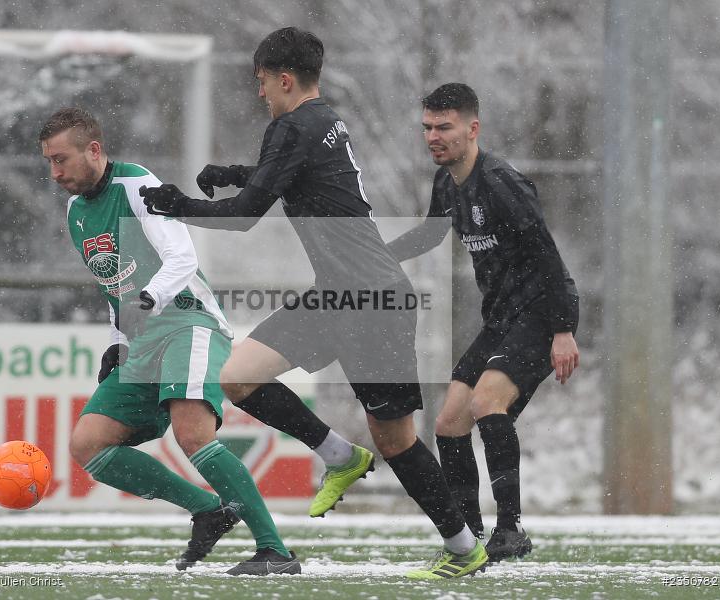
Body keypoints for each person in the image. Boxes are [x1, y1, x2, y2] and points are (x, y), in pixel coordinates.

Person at [142, 27, 488, 580]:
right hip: (342, 294)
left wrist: (175, 204)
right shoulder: (322, 120)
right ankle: (337, 454)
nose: (260, 94)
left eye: (261, 84)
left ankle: (464, 546)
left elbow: (249, 213)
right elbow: (288, 178)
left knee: (395, 439)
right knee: (237, 376)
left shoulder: (291, 126)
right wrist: (233, 174)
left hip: (373, 298)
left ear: (283, 79)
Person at [39, 107, 300, 576]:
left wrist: (146, 299)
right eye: (50, 163)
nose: (55, 173)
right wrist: (116, 341)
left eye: (62, 160)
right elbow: (114, 287)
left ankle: (275, 551)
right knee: (88, 444)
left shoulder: (137, 185)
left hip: (188, 322)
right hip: (141, 340)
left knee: (192, 433)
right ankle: (209, 510)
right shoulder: (77, 212)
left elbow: (181, 258)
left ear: (94, 150)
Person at [386, 83, 580, 562]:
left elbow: (545, 252)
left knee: (486, 402)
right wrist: (377, 256)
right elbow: (429, 235)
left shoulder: (500, 182)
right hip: (499, 319)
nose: (434, 136)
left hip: (538, 313)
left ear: (473, 129)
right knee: (450, 422)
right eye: (428, 127)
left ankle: (510, 529)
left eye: (444, 127)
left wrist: (562, 329)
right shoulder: (445, 183)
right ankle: (469, 539)